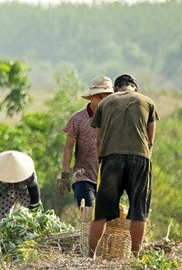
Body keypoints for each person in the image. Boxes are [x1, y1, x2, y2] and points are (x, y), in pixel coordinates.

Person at [88, 73, 158, 257]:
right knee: (138, 210)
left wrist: (102, 160)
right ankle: (135, 256)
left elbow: (98, 141)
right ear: (135, 88)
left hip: (111, 158)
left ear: (116, 89)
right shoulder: (147, 102)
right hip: (140, 158)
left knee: (101, 211)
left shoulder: (104, 103)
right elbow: (151, 140)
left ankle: (90, 256)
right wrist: (143, 160)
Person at [59, 76, 114, 207]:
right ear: (91, 97)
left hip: (107, 177)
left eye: (107, 97)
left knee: (106, 221)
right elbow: (68, 147)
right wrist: (64, 175)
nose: (103, 101)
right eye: (99, 97)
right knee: (88, 215)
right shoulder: (78, 118)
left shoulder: (114, 118)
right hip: (83, 176)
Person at [0, 150, 41, 222]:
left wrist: (33, 213)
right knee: (1, 222)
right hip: (4, 193)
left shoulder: (29, 173)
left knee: (34, 220)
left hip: (25, 192)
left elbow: (35, 195)